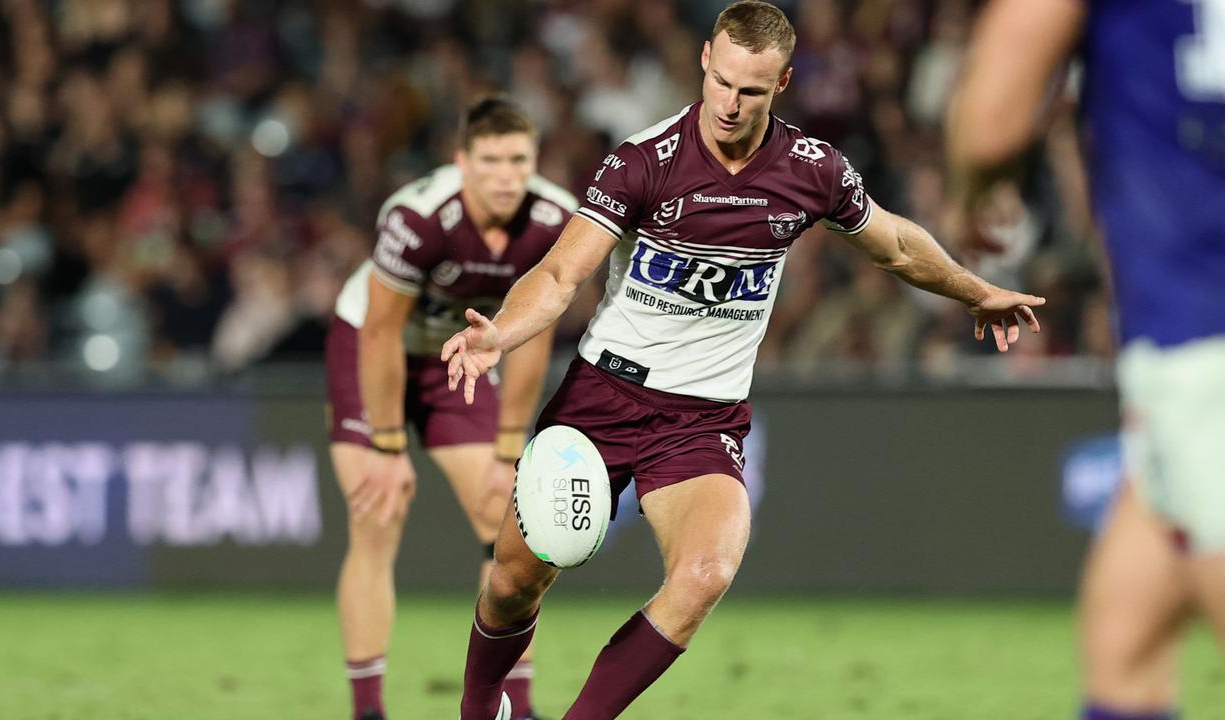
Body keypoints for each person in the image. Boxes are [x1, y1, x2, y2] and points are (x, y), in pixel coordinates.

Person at [442, 3, 1045, 718]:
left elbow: (897, 245)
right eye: (722, 82)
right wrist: (500, 335)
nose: (729, 104)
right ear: (705, 59)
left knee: (704, 574)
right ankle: (476, 710)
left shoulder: (811, 170)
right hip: (602, 399)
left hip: (701, 418)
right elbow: (558, 275)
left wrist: (976, 292)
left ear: (783, 82)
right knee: (515, 580)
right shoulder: (644, 161)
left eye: (750, 91)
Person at [947, 1, 1225, 718]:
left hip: (1205, 330)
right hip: (1188, 362)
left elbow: (990, 124)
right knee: (1124, 640)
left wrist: (971, 197)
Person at [325, 97, 574, 720]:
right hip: (371, 347)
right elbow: (381, 331)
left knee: (508, 521)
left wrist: (509, 447)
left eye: (518, 159)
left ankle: (515, 707)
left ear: (534, 161)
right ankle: (369, 711)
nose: (505, 175)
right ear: (462, 162)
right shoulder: (418, 215)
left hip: (451, 360)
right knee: (378, 516)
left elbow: (532, 334)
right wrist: (387, 447)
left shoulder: (554, 219)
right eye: (489, 160)